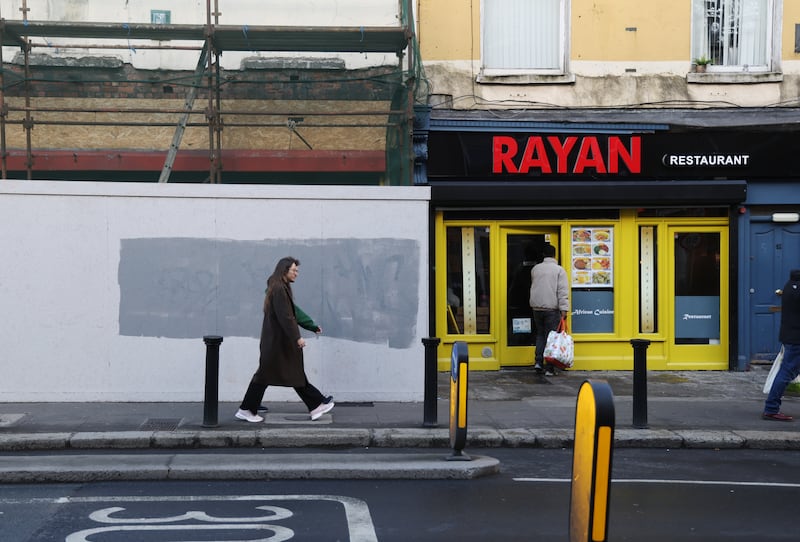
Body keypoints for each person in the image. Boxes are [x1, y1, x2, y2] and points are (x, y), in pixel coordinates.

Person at [236, 256, 334, 423]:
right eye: (294, 270)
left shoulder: (278, 287)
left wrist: (310, 325)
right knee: (283, 373)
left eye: (297, 270)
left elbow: (292, 311)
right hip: (278, 342)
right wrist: (297, 338)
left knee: (272, 375)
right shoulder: (279, 289)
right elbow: (287, 317)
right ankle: (316, 404)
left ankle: (248, 408)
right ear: (284, 270)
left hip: (275, 342)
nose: (296, 273)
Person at [762, 269, 800, 422]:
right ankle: (771, 408)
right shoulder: (797, 290)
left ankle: (771, 408)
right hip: (796, 338)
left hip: (790, 336)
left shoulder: (788, 286)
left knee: (787, 371)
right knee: (786, 373)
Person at [529, 244, 569, 376]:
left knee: (540, 335)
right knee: (551, 338)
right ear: (554, 255)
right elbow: (562, 291)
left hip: (537, 307)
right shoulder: (559, 270)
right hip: (552, 308)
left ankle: (538, 362)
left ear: (543, 255)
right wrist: (564, 309)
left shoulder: (536, 269)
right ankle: (549, 367)